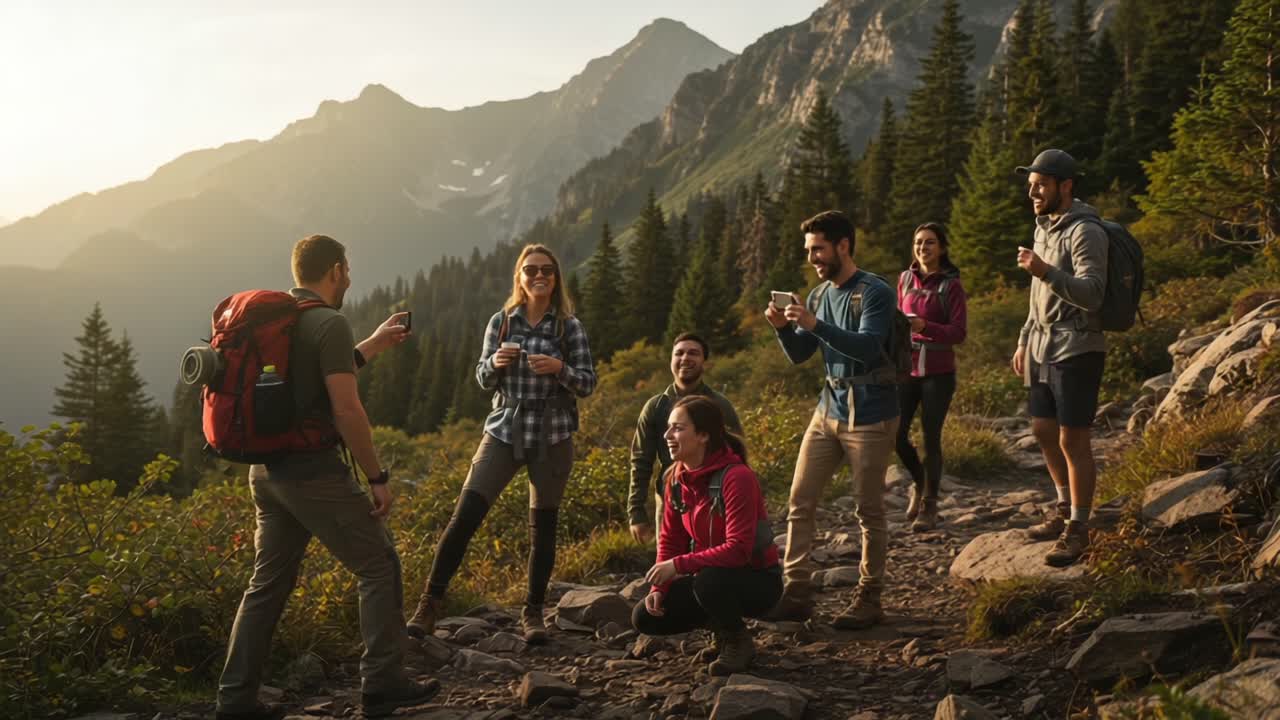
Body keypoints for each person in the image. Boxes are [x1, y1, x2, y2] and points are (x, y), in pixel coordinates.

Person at [217, 234, 438, 720]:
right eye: (348, 270)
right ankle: (383, 683)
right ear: (336, 270)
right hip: (312, 473)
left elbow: (313, 383)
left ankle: (234, 702)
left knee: (267, 583)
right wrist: (376, 476)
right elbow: (345, 406)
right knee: (379, 566)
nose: (350, 279)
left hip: (266, 474)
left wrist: (374, 344)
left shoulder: (280, 323)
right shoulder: (329, 322)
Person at [406, 244, 596, 643]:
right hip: (504, 429)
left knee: (543, 527)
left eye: (547, 270)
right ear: (519, 278)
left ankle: (533, 614)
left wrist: (560, 368)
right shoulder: (501, 322)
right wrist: (495, 363)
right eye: (531, 270)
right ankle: (429, 604)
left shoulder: (569, 326)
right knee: (465, 516)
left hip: (553, 431)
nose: (539, 276)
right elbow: (481, 378)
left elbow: (588, 383)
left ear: (556, 277)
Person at [764, 210, 900, 629]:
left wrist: (814, 324)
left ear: (843, 245)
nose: (813, 259)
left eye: (818, 249)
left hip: (872, 412)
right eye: (809, 251)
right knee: (800, 500)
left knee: (868, 509)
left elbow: (867, 347)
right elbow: (802, 354)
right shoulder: (820, 294)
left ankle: (869, 596)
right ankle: (796, 592)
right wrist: (784, 330)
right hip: (828, 409)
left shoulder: (874, 292)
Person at [631, 396, 780, 675]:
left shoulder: (737, 477)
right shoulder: (674, 478)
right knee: (645, 617)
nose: (667, 435)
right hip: (712, 577)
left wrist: (678, 566)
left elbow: (738, 550)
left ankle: (737, 639)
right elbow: (671, 540)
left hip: (758, 581)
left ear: (703, 435)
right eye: (668, 428)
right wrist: (659, 589)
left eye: (677, 428)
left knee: (708, 581)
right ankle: (722, 630)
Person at [1011, 149, 1108, 567]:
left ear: (1065, 186)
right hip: (1040, 347)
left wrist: (1046, 271)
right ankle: (1062, 506)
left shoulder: (1086, 232)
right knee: (1044, 431)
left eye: (1041, 184)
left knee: (1072, 439)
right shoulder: (1043, 228)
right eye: (1031, 184)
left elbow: (1093, 292)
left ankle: (1079, 527)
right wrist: (1022, 340)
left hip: (1077, 346)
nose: (1032, 191)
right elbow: (1037, 299)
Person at [628, 333, 743, 544]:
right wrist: (636, 512)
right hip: (669, 498)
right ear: (670, 360)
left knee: (714, 562)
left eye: (693, 353)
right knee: (669, 562)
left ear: (704, 362)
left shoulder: (719, 404)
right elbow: (640, 461)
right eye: (679, 353)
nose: (685, 358)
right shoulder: (656, 407)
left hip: (715, 500)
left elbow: (738, 455)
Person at [896, 222, 968, 532]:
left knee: (930, 439)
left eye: (929, 243)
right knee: (895, 435)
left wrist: (925, 327)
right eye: (918, 243)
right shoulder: (903, 280)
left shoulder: (951, 286)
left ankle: (930, 505)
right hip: (906, 370)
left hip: (938, 374)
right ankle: (920, 481)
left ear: (942, 248)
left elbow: (958, 333)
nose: (923, 248)